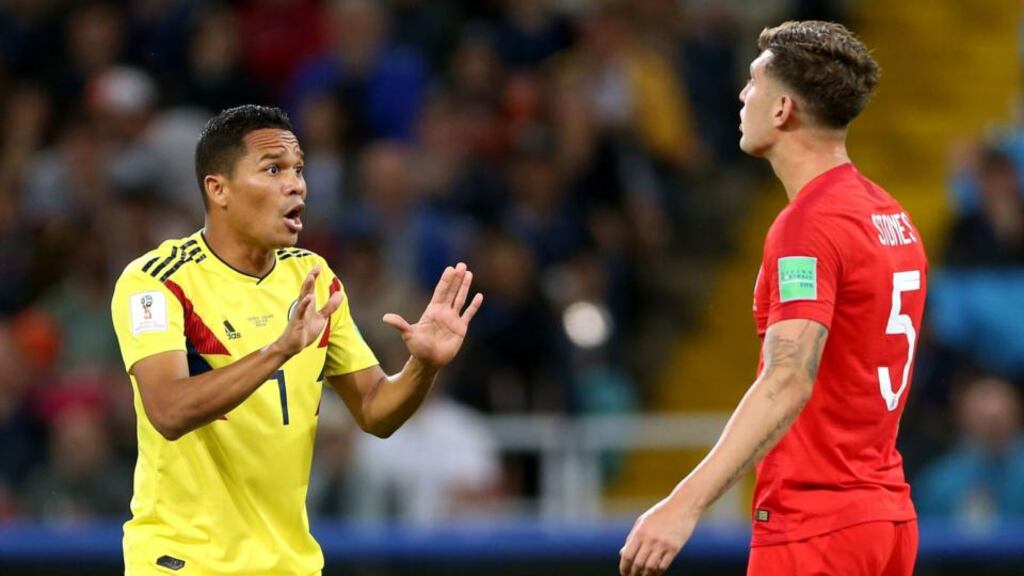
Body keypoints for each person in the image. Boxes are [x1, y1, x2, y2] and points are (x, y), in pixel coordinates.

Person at [110, 104, 483, 574]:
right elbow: (166, 410)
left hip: (292, 564)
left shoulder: (313, 277)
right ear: (218, 189)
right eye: (273, 169)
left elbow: (374, 410)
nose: (296, 184)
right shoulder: (157, 281)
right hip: (184, 561)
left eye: (299, 169)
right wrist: (279, 350)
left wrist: (423, 365)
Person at [619, 21, 926, 576]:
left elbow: (788, 376)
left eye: (754, 81)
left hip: (816, 526)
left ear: (783, 109)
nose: (742, 95)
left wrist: (682, 506)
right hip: (887, 519)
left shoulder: (808, 227)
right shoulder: (891, 216)